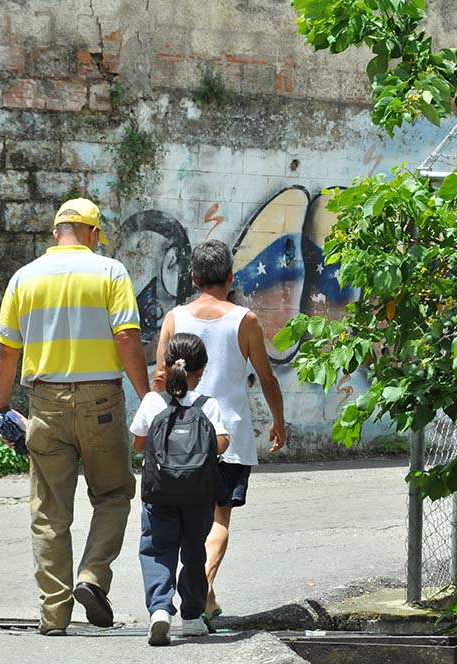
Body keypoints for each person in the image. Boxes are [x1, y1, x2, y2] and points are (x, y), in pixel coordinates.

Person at [0, 198, 150, 636]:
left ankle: (53, 615)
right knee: (115, 494)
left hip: (45, 404)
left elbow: (8, 350)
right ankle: (92, 577)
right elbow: (127, 337)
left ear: (56, 232)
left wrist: (1, 408)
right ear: (93, 234)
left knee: (49, 513)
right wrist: (147, 396)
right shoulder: (110, 271)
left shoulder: (24, 278)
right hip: (102, 403)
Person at [153, 239, 287, 626]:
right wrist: (278, 422)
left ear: (193, 278)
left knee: (183, 520)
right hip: (228, 436)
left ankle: (201, 599)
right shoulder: (245, 320)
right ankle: (204, 591)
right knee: (219, 520)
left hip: (177, 438)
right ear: (230, 277)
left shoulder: (175, 318)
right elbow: (267, 378)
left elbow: (161, 378)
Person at [130, 333, 230, 646]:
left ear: (167, 365)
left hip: (159, 492)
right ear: (200, 372)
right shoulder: (207, 404)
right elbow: (222, 443)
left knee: (158, 549)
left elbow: (138, 444)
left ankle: (160, 610)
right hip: (198, 494)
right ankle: (191, 616)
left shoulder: (152, 401)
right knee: (193, 551)